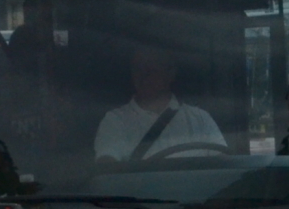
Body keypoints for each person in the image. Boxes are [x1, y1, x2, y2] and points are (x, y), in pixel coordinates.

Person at [93, 47, 225, 162]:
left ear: (170, 73)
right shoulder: (115, 121)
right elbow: (107, 168)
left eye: (152, 68)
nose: (144, 75)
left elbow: (222, 166)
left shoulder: (200, 119)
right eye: (138, 68)